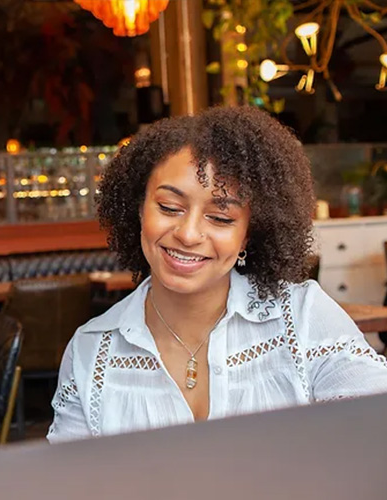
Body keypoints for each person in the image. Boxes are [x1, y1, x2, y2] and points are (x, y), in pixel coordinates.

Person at [47, 106, 387, 443]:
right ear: (139, 210)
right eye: (169, 208)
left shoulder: (302, 320)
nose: (188, 234)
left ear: (248, 234)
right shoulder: (92, 352)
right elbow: (70, 474)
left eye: (221, 218)